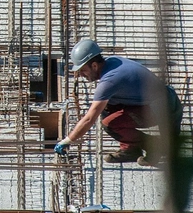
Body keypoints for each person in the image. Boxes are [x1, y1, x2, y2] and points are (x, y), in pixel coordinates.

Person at [54, 39, 183, 166]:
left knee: (109, 124)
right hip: (164, 100)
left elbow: (89, 119)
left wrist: (68, 140)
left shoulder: (109, 81)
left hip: (164, 109)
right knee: (106, 107)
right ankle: (130, 150)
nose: (81, 75)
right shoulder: (112, 61)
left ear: (94, 65)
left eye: (83, 70)